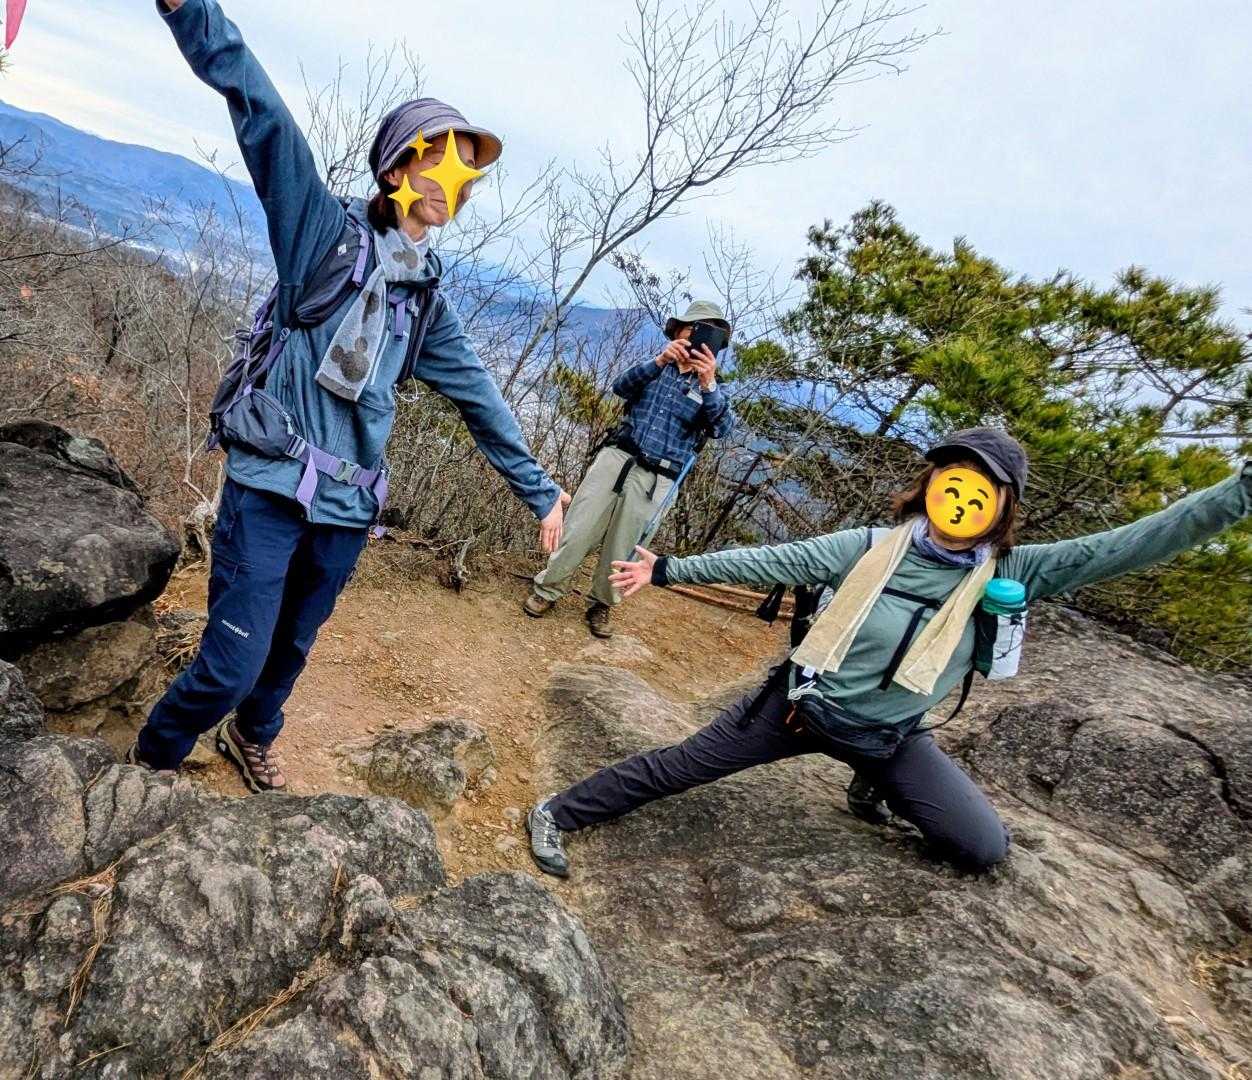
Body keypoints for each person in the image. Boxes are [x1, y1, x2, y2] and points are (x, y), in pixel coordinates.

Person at [128, 0, 569, 792]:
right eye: (442, 157)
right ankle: (153, 758)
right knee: (232, 662)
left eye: (467, 167)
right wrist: (192, 11)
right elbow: (264, 115)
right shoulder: (322, 237)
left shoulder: (424, 300)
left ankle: (252, 734)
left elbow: (480, 398)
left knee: (291, 649)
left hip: (346, 506)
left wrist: (539, 491)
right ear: (396, 169)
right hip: (269, 488)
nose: (457, 178)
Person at [526, 428, 1252, 877]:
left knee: (982, 849)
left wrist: (1239, 493)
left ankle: (871, 783)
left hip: (891, 736)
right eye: (952, 478)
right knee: (680, 765)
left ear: (1003, 506)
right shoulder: (870, 547)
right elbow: (776, 559)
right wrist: (669, 570)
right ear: (931, 485)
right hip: (800, 709)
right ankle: (558, 812)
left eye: (982, 487)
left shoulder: (1013, 572)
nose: (962, 496)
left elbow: (1133, 544)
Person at [524, 301, 736, 638]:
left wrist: (708, 383)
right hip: (618, 457)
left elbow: (722, 428)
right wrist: (659, 361)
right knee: (579, 527)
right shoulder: (656, 366)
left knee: (625, 546)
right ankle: (548, 588)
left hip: (659, 478)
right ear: (678, 332)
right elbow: (620, 387)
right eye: (691, 330)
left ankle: (602, 603)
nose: (694, 339)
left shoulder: (714, 387)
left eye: (704, 335)